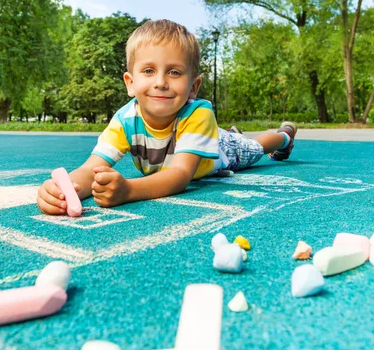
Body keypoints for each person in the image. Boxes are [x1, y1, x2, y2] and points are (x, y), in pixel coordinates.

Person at [37, 20, 297, 215]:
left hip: (222, 150)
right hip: (201, 139)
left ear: (193, 87)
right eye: (149, 70)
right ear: (130, 82)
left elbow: (181, 174)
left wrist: (129, 190)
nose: (160, 82)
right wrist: (64, 191)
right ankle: (239, 133)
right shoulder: (125, 119)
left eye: (174, 72)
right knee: (240, 140)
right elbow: (89, 170)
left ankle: (285, 136)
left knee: (255, 148)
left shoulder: (199, 112)